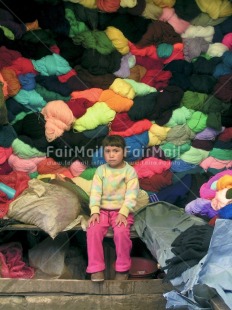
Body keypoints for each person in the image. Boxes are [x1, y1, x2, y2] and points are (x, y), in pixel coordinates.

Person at [86, 135, 139, 282]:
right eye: (107, 151)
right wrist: (95, 211)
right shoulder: (100, 171)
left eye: (116, 150)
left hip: (121, 211)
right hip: (102, 210)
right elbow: (95, 192)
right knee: (93, 229)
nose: (111, 155)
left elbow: (131, 195)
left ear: (124, 152)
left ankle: (122, 269)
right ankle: (96, 269)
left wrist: (123, 213)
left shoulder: (130, 172)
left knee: (121, 232)